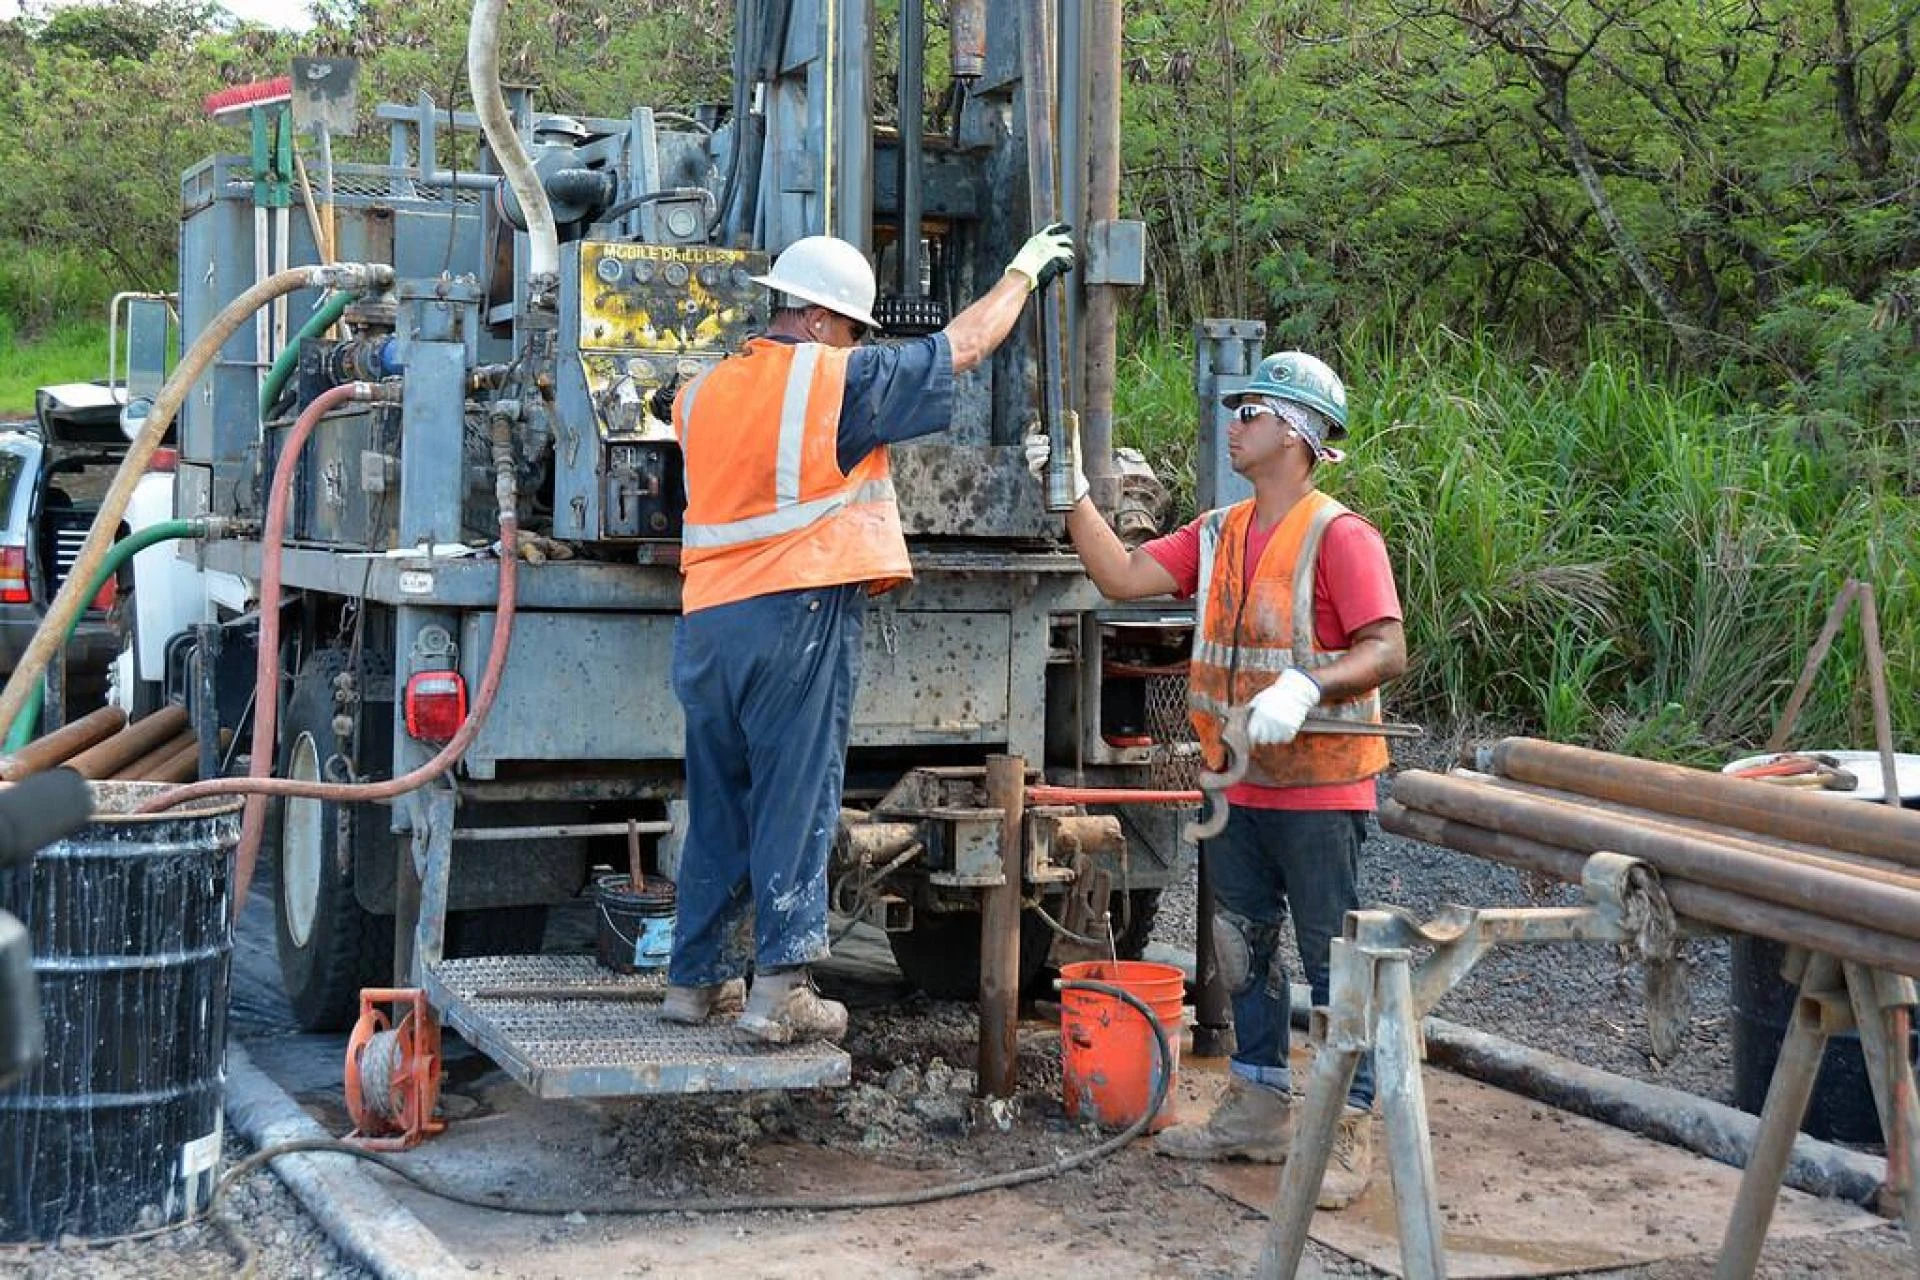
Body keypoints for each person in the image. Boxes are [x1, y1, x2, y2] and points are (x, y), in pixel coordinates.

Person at [662, 225, 1078, 1046]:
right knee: (796, 792)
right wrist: (1021, 273)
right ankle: (779, 988)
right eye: (853, 329)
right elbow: (961, 346)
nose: (856, 345)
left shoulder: (702, 390)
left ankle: (694, 980)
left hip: (709, 622)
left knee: (722, 799)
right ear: (818, 320)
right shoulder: (830, 380)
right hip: (795, 609)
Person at [1025, 351, 1406, 1209]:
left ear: (1299, 434)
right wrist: (1070, 497)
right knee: (1243, 952)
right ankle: (1259, 1104)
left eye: (1253, 411)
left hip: (1320, 788)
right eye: (1237, 408)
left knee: (1335, 960)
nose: (1233, 423)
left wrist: (1308, 684)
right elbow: (1120, 578)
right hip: (1238, 784)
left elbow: (1386, 647)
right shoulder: (1217, 533)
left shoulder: (1340, 536)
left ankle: (1351, 1125)